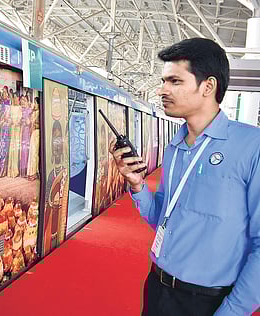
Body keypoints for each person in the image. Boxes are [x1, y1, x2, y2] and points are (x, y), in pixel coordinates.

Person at [109, 38, 260, 316]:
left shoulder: (252, 147)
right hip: (157, 287)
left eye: (174, 81)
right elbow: (161, 217)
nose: (162, 89)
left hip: (208, 302)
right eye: (164, 81)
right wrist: (137, 184)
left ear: (208, 86)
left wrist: (233, 311)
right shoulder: (175, 148)